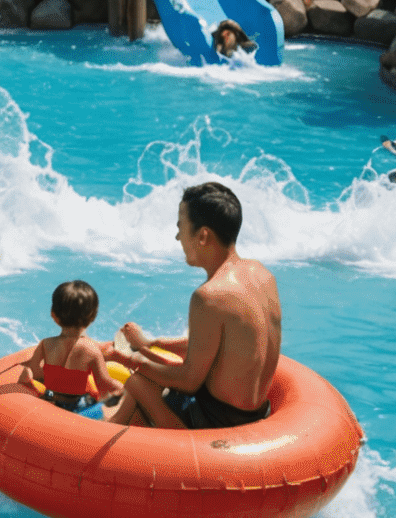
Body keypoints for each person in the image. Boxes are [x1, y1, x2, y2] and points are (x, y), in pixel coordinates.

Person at [105, 182, 282, 430]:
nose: (178, 237)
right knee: (153, 372)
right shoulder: (263, 275)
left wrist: (130, 361)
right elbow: (217, 347)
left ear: (202, 236)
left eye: (181, 228)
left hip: (218, 422)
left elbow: (189, 381)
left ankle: (98, 437)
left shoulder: (209, 297)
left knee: (138, 382)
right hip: (256, 413)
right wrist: (150, 345)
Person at [17, 280, 122, 415]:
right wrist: (123, 390)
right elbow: (104, 385)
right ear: (93, 316)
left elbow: (35, 372)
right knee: (120, 401)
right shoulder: (90, 349)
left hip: (52, 401)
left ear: (53, 315)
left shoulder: (45, 344)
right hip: (78, 408)